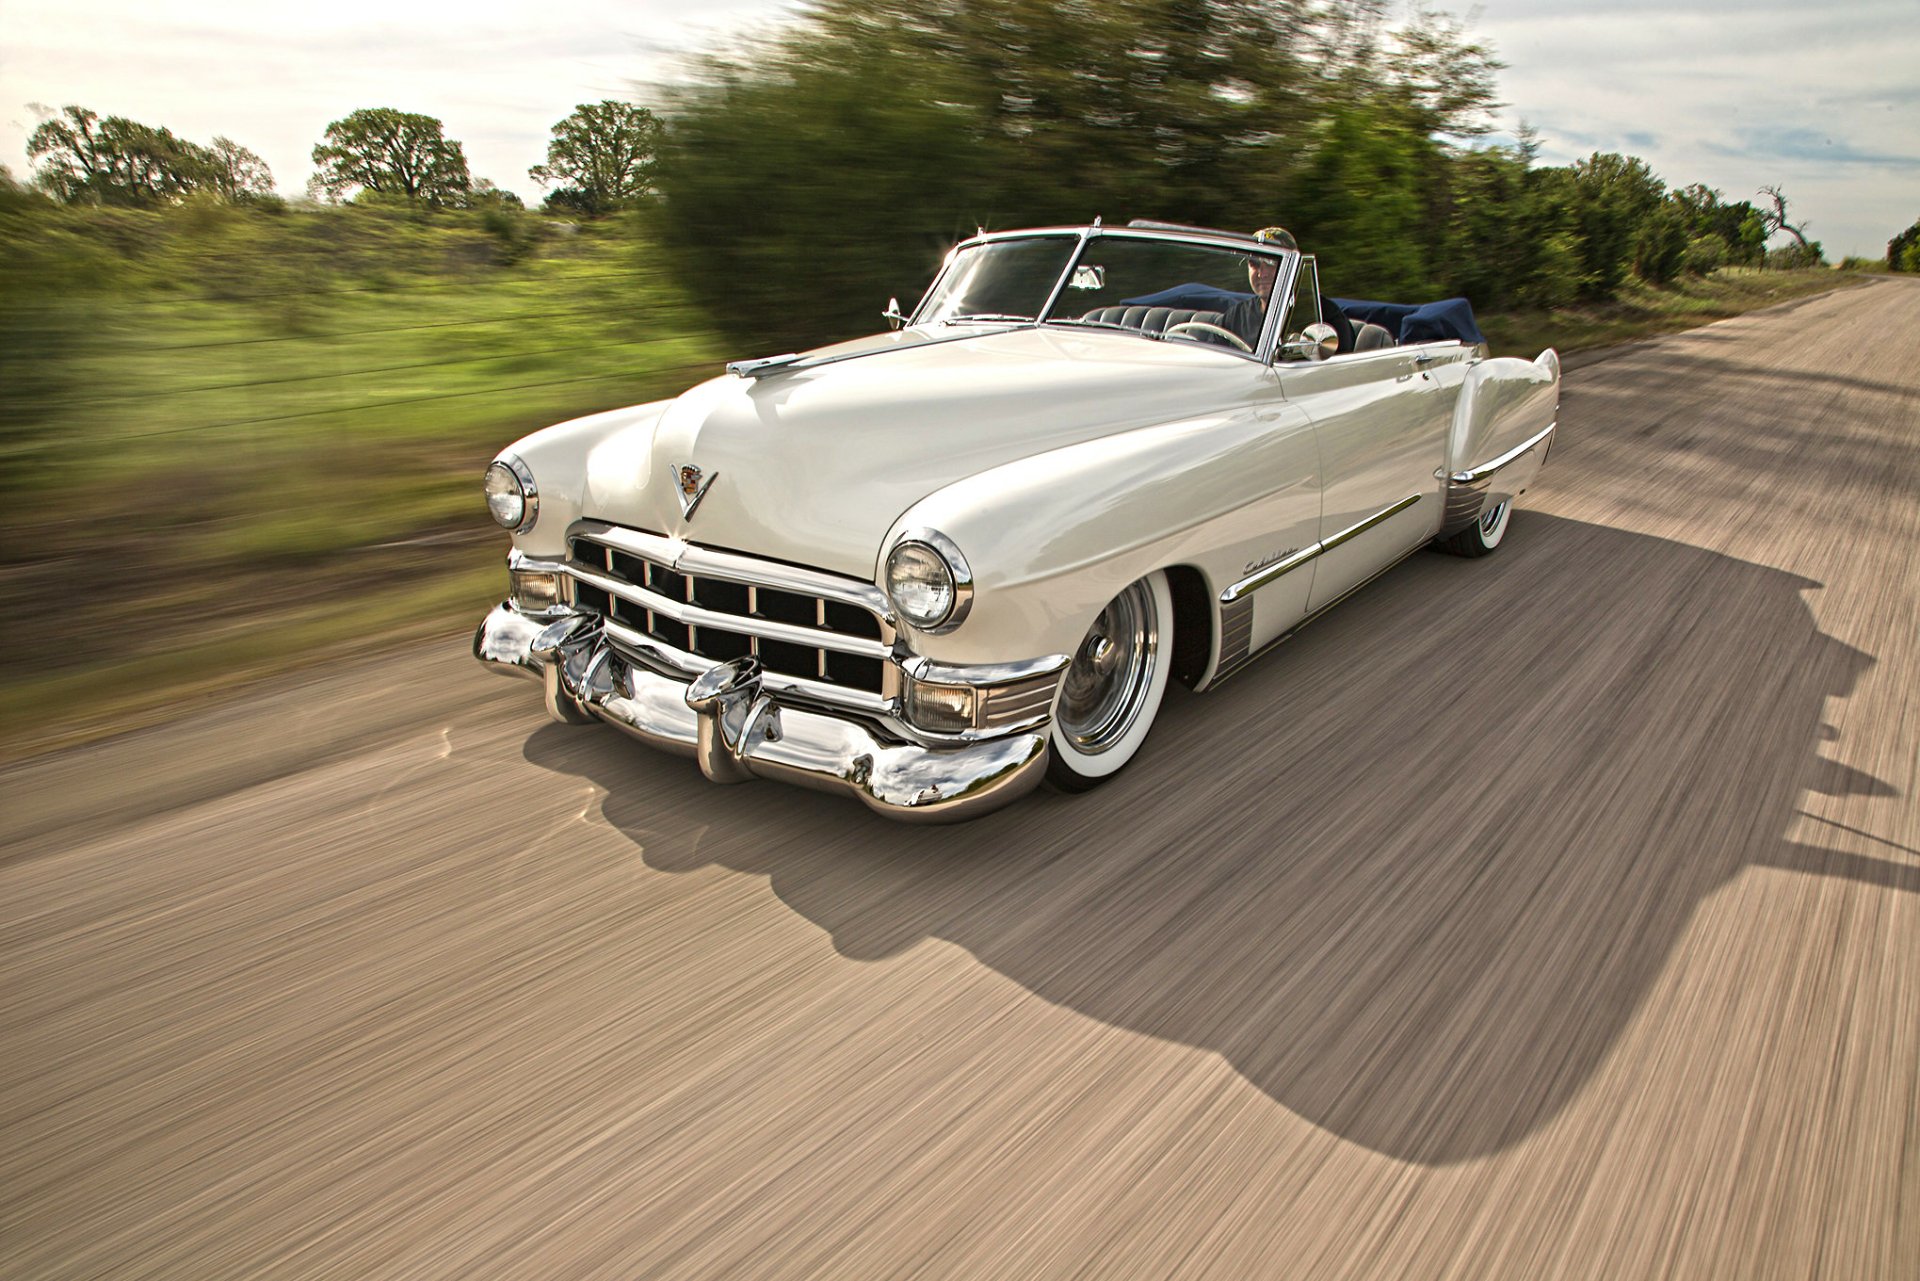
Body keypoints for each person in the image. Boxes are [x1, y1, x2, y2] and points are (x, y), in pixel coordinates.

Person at [1216, 226, 1294, 348]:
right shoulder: (1236, 316)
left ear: (1291, 267)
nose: (1262, 274)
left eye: (1271, 263)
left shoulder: (1318, 314)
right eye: (1254, 264)